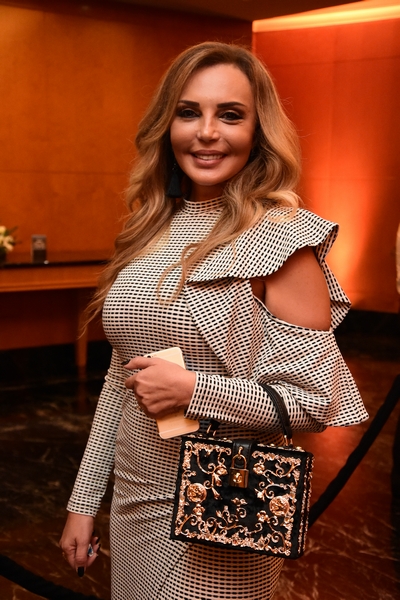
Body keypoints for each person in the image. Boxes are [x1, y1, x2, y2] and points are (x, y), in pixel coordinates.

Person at [60, 41, 368, 599]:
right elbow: (120, 379)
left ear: (258, 130)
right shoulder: (149, 228)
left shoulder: (283, 240)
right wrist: (83, 503)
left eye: (230, 115)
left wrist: (192, 389)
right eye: (188, 112)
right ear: (167, 125)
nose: (206, 132)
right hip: (134, 502)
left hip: (221, 505)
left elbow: (316, 402)